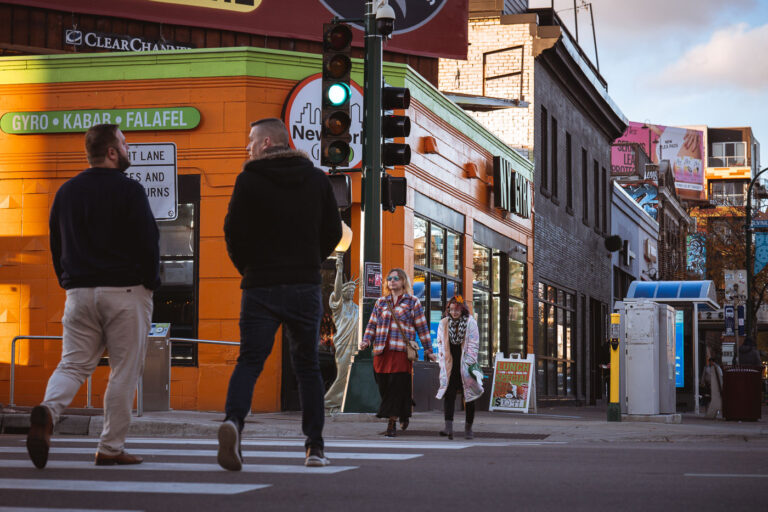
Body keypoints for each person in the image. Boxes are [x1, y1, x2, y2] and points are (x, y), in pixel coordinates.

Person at [26, 124, 159, 469]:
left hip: (79, 292)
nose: (129, 149)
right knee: (123, 371)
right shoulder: (130, 191)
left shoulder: (66, 192)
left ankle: (48, 411)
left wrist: (68, 281)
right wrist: (150, 282)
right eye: (125, 144)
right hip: (125, 292)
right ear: (112, 152)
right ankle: (110, 448)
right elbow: (148, 242)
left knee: (73, 364)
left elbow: (56, 245)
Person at [220, 118, 342, 470]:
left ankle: (233, 423)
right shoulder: (317, 179)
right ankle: (314, 447)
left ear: (268, 143)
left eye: (251, 141)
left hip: (260, 287)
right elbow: (333, 231)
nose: (247, 148)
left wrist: (249, 268)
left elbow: (232, 232)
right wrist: (309, 262)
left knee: (249, 361)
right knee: (307, 367)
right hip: (304, 286)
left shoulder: (249, 180)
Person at [359, 268, 436, 437]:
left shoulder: (412, 302)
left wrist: (429, 350)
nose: (392, 281)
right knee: (384, 386)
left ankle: (391, 423)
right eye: (389, 278)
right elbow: (372, 324)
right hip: (381, 351)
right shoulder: (381, 302)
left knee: (396, 386)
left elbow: (422, 328)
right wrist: (366, 341)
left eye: (396, 278)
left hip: (401, 351)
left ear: (403, 282)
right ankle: (404, 410)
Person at [436, 295, 484, 439]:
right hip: (450, 365)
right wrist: (442, 361)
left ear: (462, 309)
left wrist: (468, 363)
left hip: (466, 365)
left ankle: (468, 429)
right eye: (451, 310)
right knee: (449, 395)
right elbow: (439, 343)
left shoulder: (470, 323)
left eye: (457, 310)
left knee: (469, 397)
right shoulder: (444, 323)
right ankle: (448, 428)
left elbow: (474, 346)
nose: (454, 312)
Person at [324, 254, 359, 413]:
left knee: (351, 377)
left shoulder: (357, 308)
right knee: (343, 375)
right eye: (348, 290)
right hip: (343, 345)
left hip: (356, 346)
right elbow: (336, 291)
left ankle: (342, 404)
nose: (351, 293)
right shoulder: (339, 307)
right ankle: (328, 402)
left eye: (353, 290)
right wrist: (339, 270)